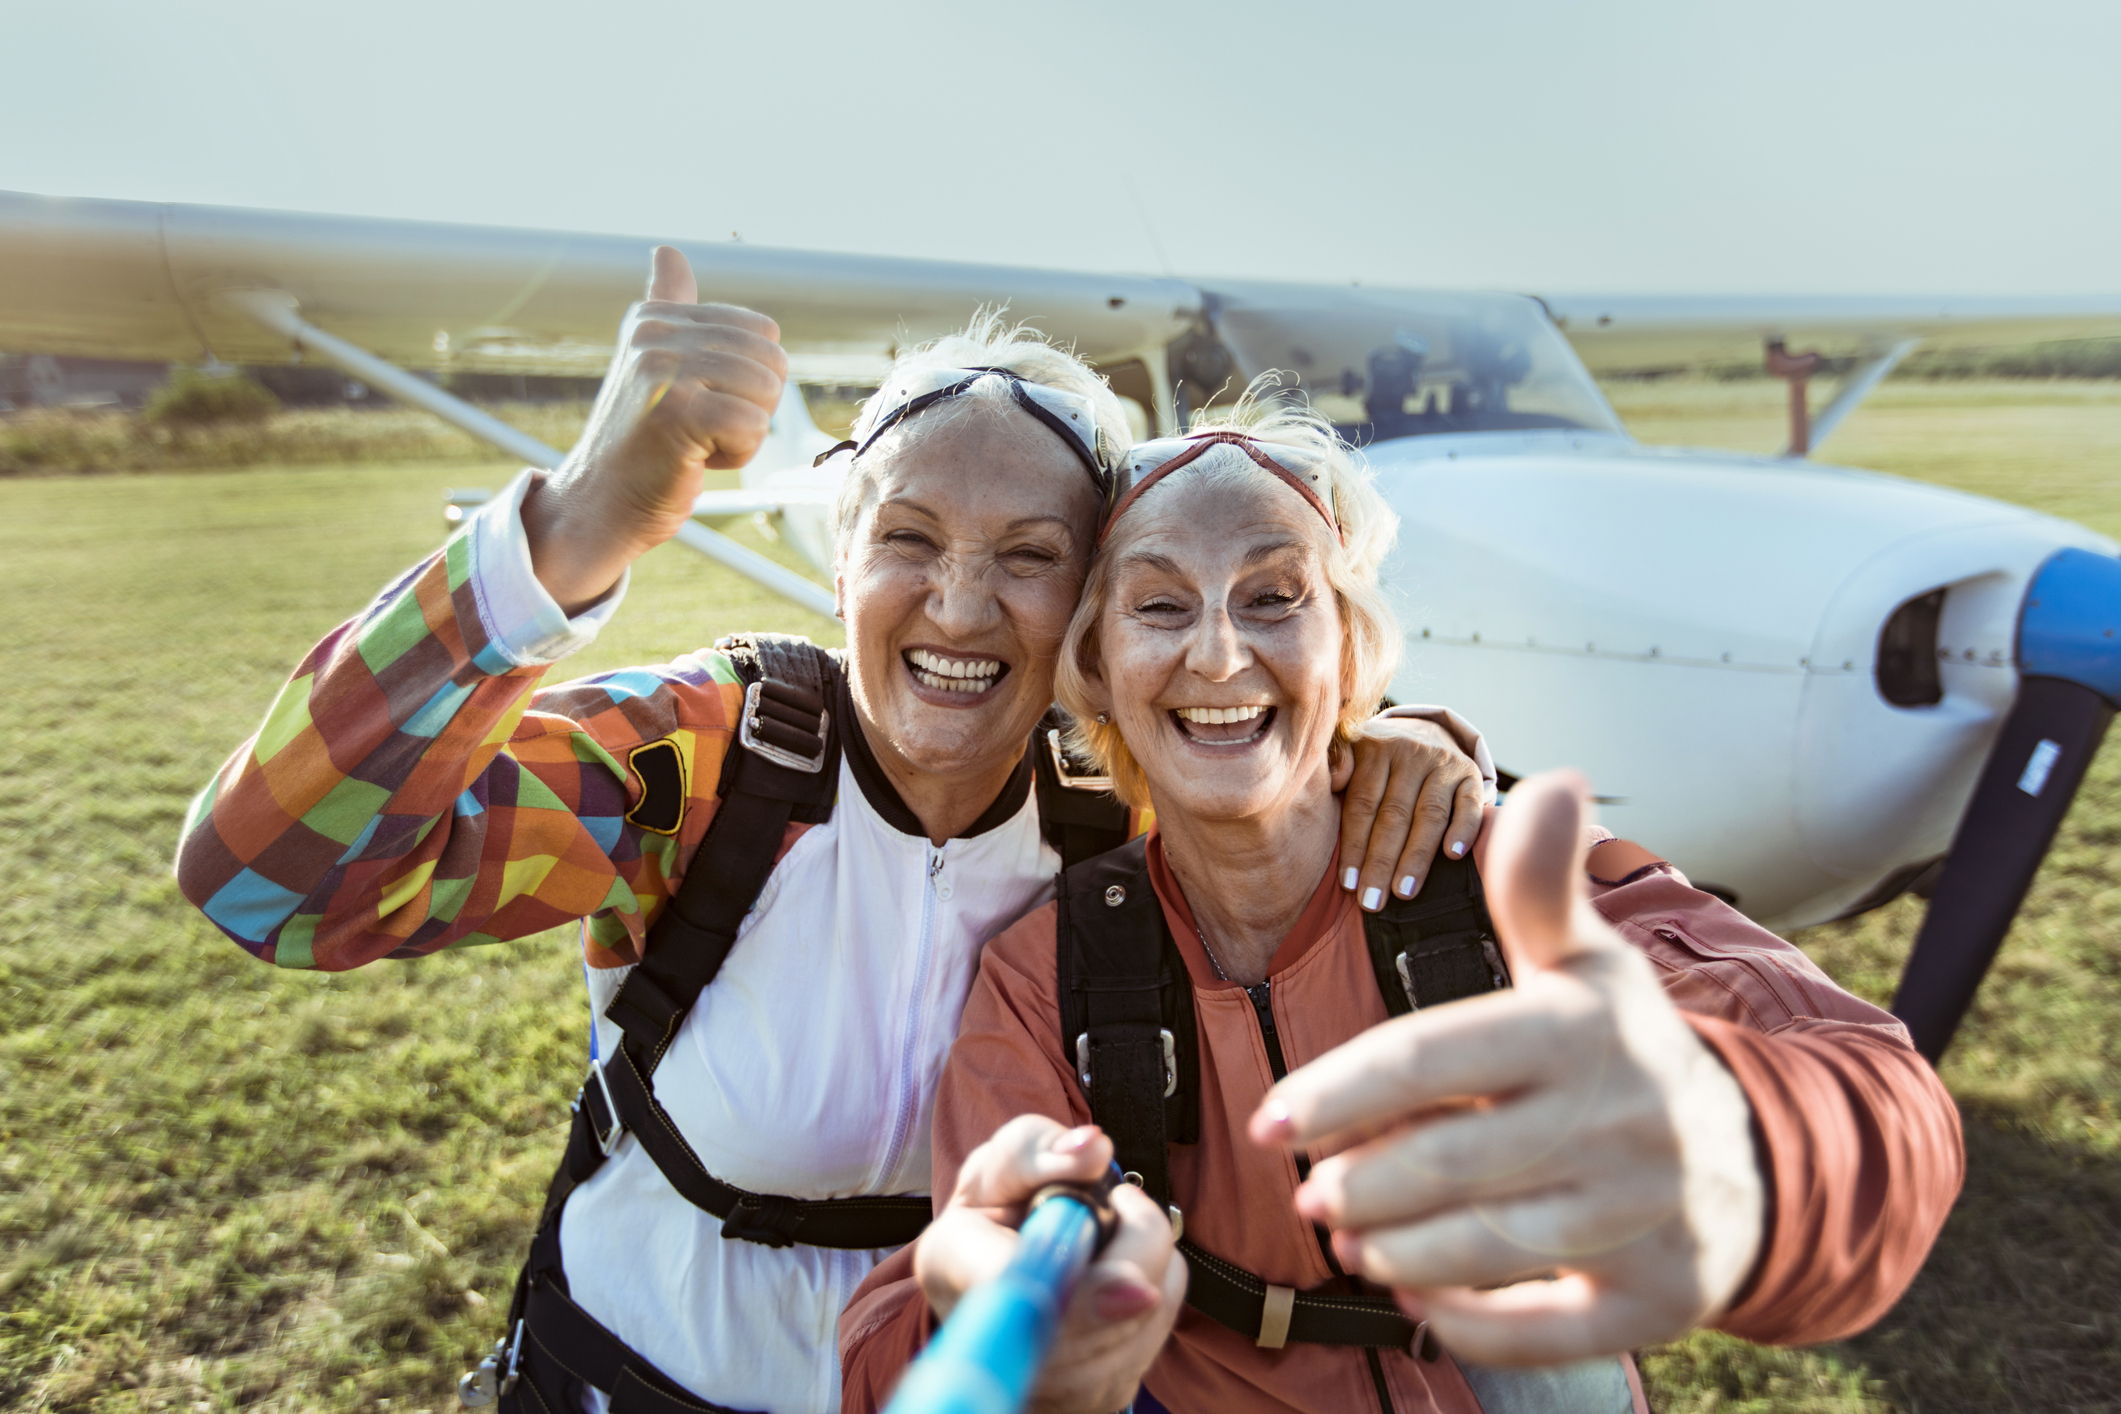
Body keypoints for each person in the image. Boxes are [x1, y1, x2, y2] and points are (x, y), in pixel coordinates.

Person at [173, 252, 1494, 1414]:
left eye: (1031, 556)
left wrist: (1399, 750)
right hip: (632, 1379)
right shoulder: (720, 759)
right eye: (909, 538)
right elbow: (272, 876)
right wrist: (567, 530)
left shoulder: (1117, 806)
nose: (961, 605)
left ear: (1091, 602)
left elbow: (1270, 738)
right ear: (839, 559)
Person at [840, 399, 1965, 1414]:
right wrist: (978, 1317)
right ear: (1095, 667)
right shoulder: (1050, 974)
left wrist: (1751, 1143)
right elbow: (890, 1353)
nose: (1220, 652)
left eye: (1275, 597)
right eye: (1160, 605)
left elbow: (1871, 1089)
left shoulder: (1506, 876)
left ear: (1352, 648)